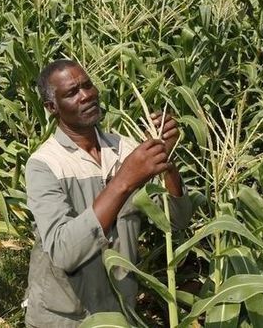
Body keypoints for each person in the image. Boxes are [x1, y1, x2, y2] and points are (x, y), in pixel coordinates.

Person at [24, 59, 193, 327]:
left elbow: (176, 221)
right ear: (52, 107)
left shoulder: (125, 149)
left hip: (119, 311)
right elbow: (64, 252)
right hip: (66, 318)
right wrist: (124, 180)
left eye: (88, 85)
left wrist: (167, 159)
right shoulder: (45, 165)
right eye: (72, 92)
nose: (86, 95)